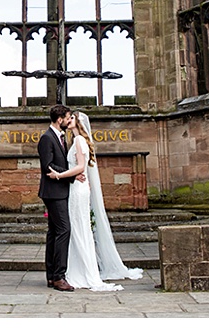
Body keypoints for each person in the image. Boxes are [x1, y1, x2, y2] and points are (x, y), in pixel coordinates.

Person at [47, 111, 128, 291]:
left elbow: (81, 167)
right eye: (68, 117)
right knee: (76, 228)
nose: (69, 120)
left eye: (72, 118)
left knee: (77, 228)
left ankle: (81, 271)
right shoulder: (74, 141)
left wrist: (59, 175)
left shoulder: (78, 141)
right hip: (75, 186)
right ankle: (76, 269)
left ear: (78, 123)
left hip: (77, 188)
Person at [37, 104, 76, 292]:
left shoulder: (59, 137)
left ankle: (52, 276)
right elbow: (48, 165)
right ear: (59, 119)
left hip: (58, 190)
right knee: (64, 231)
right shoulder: (47, 138)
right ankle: (59, 277)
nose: (69, 121)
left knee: (54, 232)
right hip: (53, 192)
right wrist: (71, 174)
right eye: (68, 118)